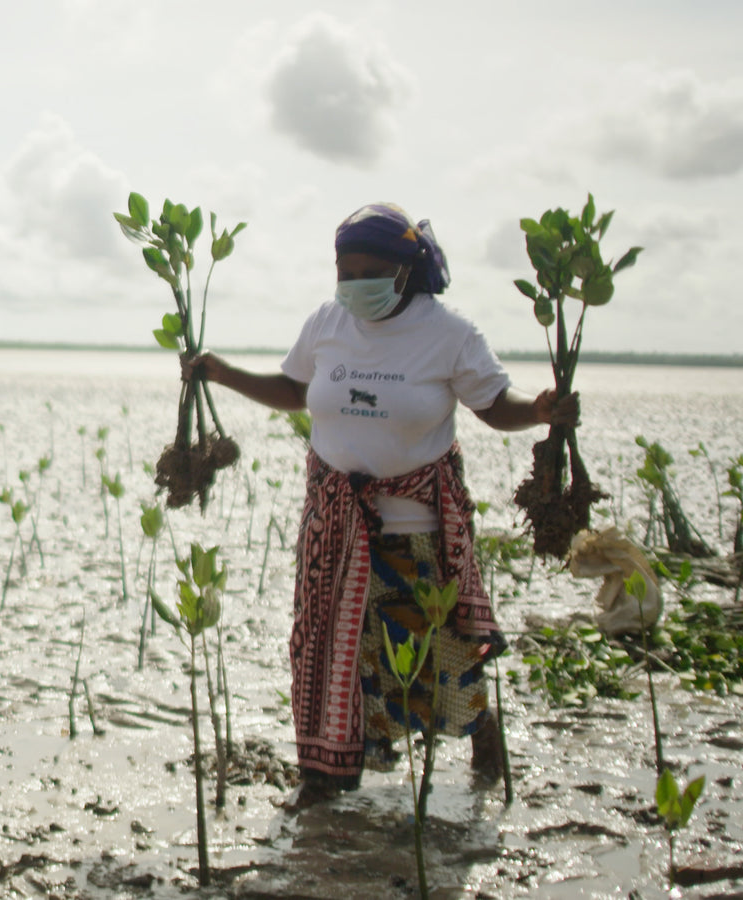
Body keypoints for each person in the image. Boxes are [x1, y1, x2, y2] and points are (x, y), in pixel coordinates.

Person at [184, 203, 578, 809]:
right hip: (334, 533)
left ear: (404, 270)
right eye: (343, 270)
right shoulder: (327, 323)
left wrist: (540, 410)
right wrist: (224, 373)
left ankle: (482, 736)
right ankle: (324, 777)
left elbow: (495, 403)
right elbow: (295, 390)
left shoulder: (447, 333)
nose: (351, 283)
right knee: (332, 657)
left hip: (415, 533)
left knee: (439, 661)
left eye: (365, 271)